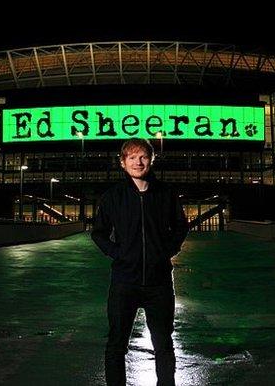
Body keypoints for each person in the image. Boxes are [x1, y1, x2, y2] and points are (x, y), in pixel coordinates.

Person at [90, 137, 189, 386]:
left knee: (164, 344)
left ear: (151, 160)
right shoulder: (113, 197)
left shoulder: (166, 194)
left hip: (159, 284)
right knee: (116, 345)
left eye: (143, 156)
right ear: (123, 163)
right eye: (132, 157)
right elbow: (98, 233)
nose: (138, 162)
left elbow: (181, 226)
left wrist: (166, 251)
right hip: (125, 282)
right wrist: (119, 254)